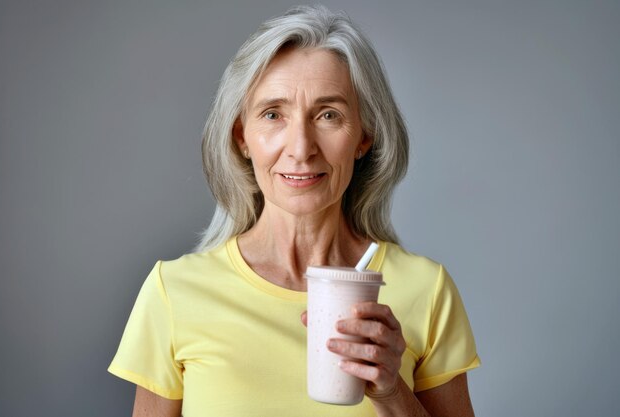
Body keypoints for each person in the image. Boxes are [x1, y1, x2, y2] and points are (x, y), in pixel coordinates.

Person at [108, 5, 480, 417]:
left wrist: (392, 394)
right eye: (273, 114)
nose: (301, 148)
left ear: (364, 137)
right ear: (242, 138)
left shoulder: (426, 291)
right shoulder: (173, 292)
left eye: (328, 115)